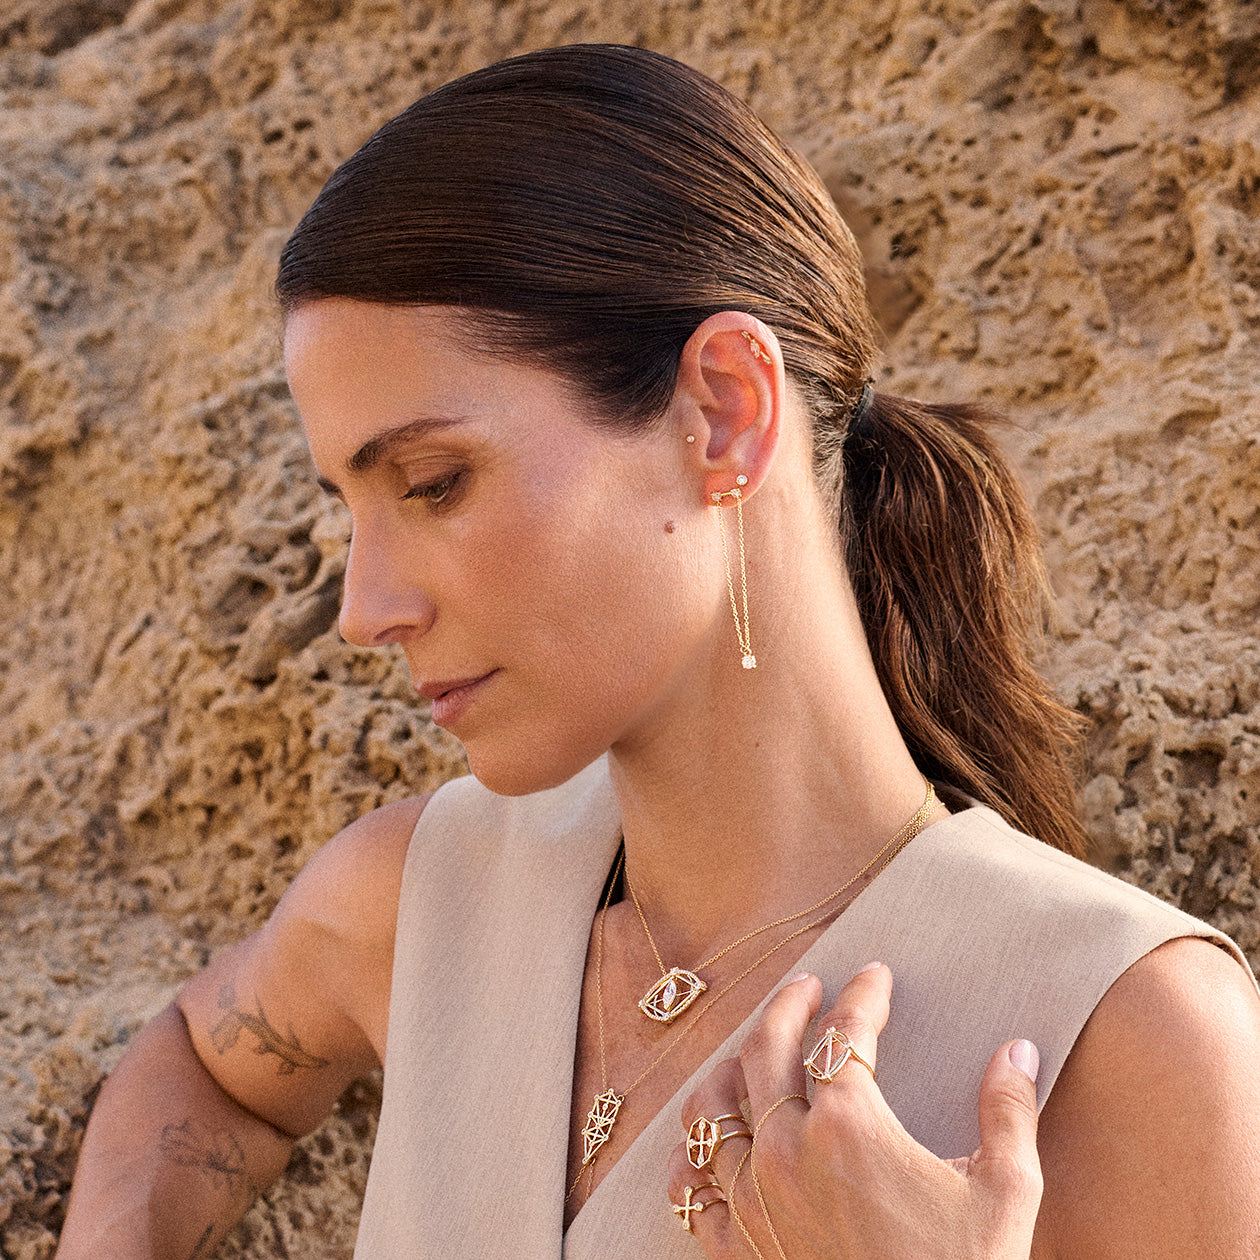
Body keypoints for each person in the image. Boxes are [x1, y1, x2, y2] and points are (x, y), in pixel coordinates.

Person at [56, 43, 1260, 1260]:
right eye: (348, 504)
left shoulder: (1130, 1036)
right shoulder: (421, 901)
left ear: (723, 410)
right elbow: (202, 1072)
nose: (365, 607)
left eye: (432, 481)